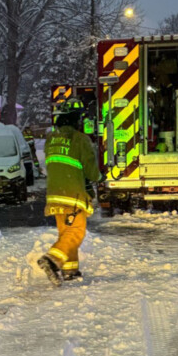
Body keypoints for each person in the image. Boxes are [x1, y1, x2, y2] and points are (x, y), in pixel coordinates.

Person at [37, 98, 101, 286]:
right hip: (72, 193)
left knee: (66, 232)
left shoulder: (51, 140)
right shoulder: (80, 139)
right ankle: (51, 260)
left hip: (55, 193)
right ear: (75, 121)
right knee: (76, 232)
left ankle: (70, 270)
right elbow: (90, 171)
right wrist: (99, 177)